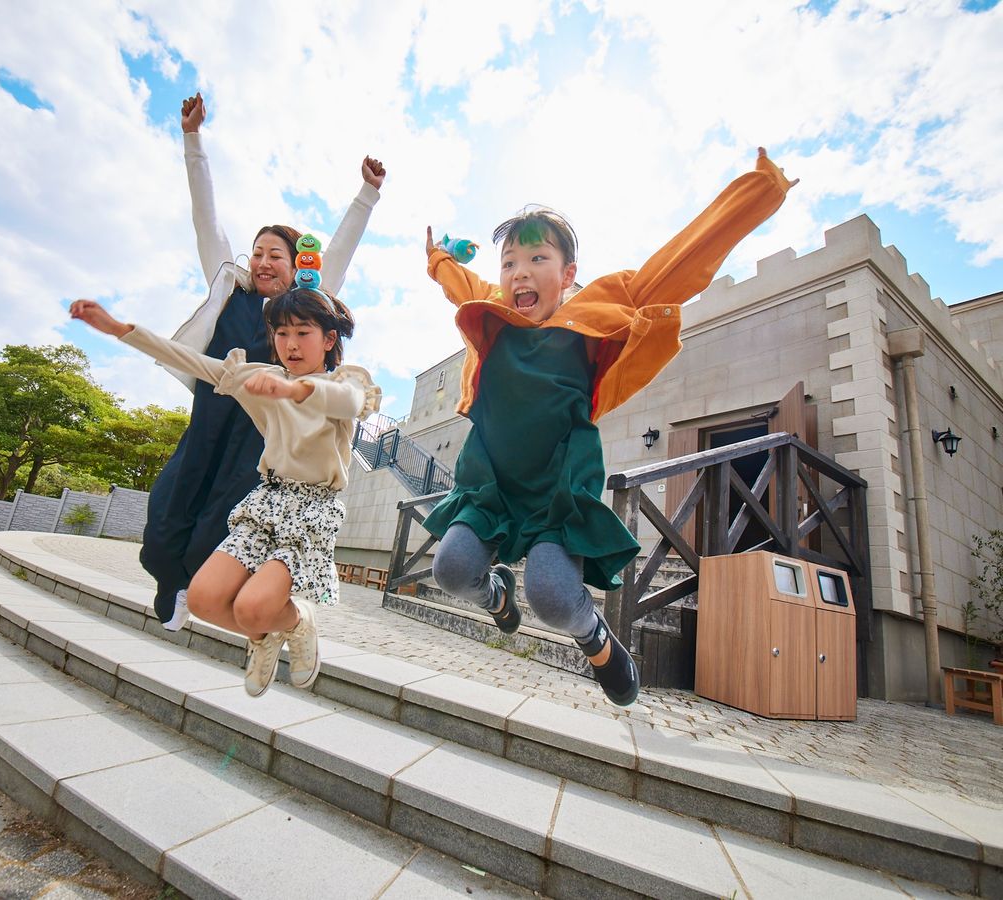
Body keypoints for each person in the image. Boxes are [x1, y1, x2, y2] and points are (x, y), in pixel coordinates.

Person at [422, 148, 795, 706]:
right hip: (492, 482)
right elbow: (460, 283)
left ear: (567, 274)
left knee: (551, 594)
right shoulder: (493, 314)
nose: (520, 272)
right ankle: (496, 595)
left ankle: (597, 641)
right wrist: (436, 260)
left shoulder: (593, 314)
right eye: (509, 264)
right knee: (451, 568)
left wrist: (756, 195)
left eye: (537, 259)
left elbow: (675, 268)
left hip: (556, 488)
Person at [143, 91, 386, 628]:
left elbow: (338, 253)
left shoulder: (299, 307)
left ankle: (205, 594)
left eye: (275, 253)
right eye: (257, 251)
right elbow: (204, 216)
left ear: (297, 265)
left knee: (220, 520)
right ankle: (170, 581)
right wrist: (192, 141)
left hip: (259, 433)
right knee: (165, 513)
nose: (262, 260)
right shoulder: (228, 287)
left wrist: (366, 195)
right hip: (208, 420)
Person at [70, 285, 380, 696]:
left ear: (328, 340)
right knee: (203, 599)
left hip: (311, 509)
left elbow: (347, 400)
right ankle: (267, 635)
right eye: (281, 333)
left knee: (252, 607)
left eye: (302, 333)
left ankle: (295, 623)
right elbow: (197, 363)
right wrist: (120, 330)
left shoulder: (343, 382)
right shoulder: (262, 377)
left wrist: (296, 389)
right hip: (265, 501)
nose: (289, 344)